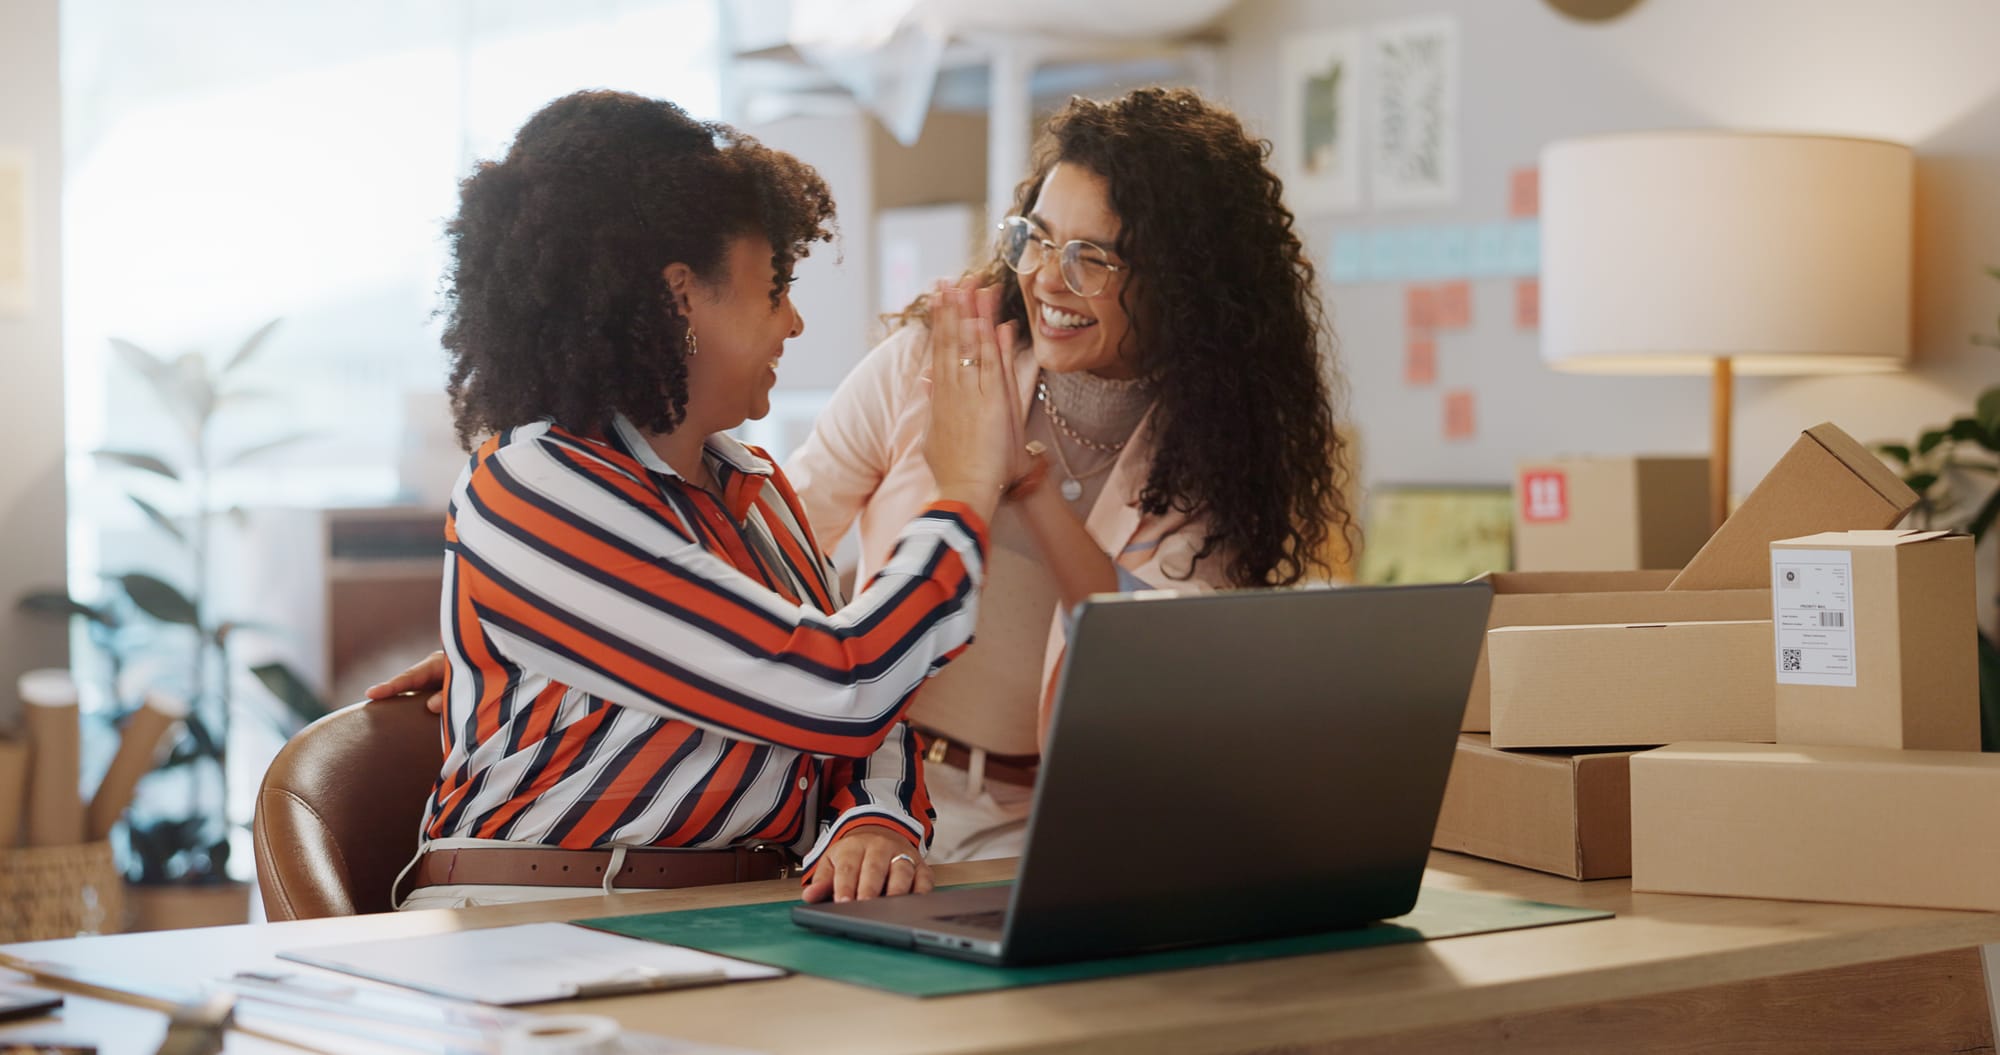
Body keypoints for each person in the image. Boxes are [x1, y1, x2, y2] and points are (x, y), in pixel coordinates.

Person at [372, 86, 1356, 866]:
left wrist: (1010, 489)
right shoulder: (919, 375)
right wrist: (587, 615)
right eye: (1038, 240)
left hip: (1033, 816)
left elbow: (1143, 666)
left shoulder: (1225, 444)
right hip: (624, 891)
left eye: (1090, 257)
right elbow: (812, 656)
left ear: (1181, 280)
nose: (1047, 278)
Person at [388, 89, 1022, 911]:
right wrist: (965, 490)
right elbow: (843, 683)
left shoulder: (756, 489)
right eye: (773, 288)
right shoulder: (529, 491)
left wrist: (876, 817)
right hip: (538, 925)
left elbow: (863, 714)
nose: (792, 322)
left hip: (738, 912)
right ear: (681, 296)